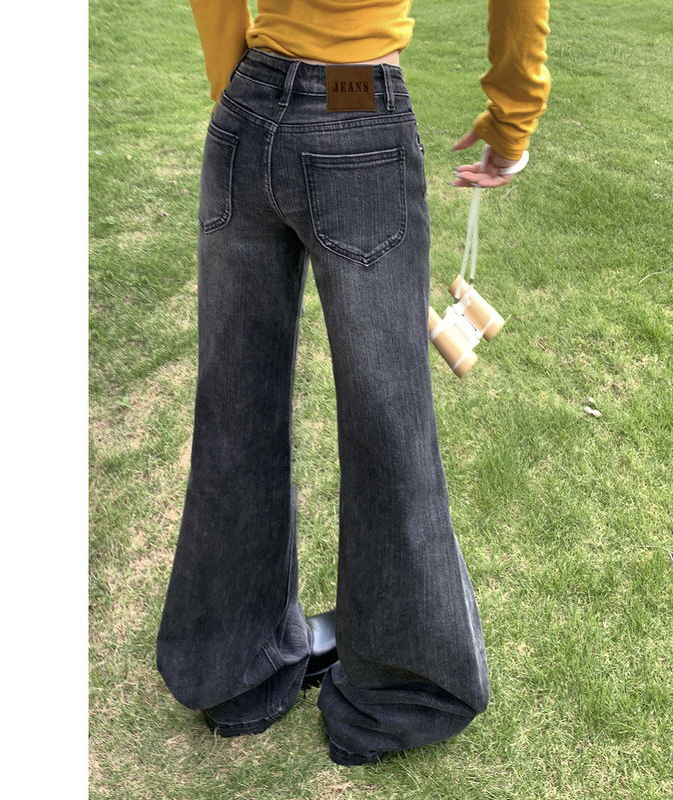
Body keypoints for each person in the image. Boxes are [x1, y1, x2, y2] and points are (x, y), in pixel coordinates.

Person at [157, 0, 550, 767]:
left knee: (234, 407)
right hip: (357, 105)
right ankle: (400, 694)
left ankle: (233, 671)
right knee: (387, 419)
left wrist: (239, 87)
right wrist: (512, 120)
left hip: (245, 109)